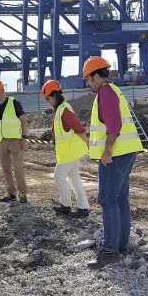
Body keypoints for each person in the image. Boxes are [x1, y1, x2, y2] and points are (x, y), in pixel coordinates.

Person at [82, 56, 144, 269]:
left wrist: (107, 150)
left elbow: (114, 124)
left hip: (115, 155)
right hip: (126, 153)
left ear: (97, 76)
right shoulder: (114, 90)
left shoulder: (105, 93)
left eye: (88, 80)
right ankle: (121, 243)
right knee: (120, 199)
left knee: (107, 199)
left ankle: (109, 251)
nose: (88, 84)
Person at [41, 80, 90, 218]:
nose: (47, 101)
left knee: (59, 177)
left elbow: (79, 128)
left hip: (70, 152)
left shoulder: (64, 110)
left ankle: (66, 205)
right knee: (74, 180)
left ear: (55, 96)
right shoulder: (59, 110)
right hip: (68, 152)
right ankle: (83, 208)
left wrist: (86, 142)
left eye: (48, 98)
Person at [0, 78, 29, 203]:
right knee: (6, 168)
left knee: (17, 167)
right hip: (1, 141)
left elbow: (23, 121)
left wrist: (24, 138)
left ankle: (22, 193)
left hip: (15, 139)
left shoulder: (14, 103)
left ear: (3, 90)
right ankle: (11, 192)